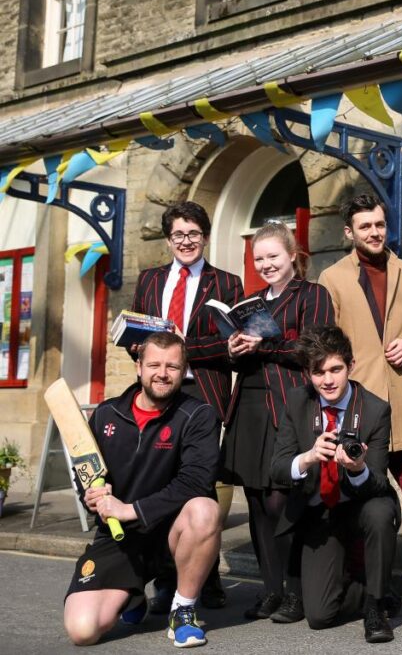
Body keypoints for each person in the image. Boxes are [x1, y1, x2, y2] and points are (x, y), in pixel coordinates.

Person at [318, 194, 402, 607]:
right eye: (365, 227)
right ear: (350, 232)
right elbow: (326, 342)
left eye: (379, 224)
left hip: (401, 400)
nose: (375, 232)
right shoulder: (332, 277)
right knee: (363, 496)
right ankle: (365, 583)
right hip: (358, 405)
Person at [63, 332, 221, 648]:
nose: (162, 373)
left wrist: (131, 510)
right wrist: (91, 495)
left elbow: (196, 481)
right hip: (120, 537)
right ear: (139, 367)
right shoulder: (106, 414)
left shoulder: (198, 415)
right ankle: (133, 597)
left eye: (172, 366)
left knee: (205, 510)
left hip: (170, 534)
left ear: (184, 371)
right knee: (82, 631)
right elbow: (86, 473)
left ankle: (183, 612)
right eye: (154, 365)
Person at [220, 222, 335, 623]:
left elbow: (315, 347)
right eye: (259, 259)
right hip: (248, 405)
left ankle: (295, 591)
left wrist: (264, 344)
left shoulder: (312, 294)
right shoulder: (250, 302)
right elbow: (242, 358)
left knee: (280, 501)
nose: (266, 264)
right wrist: (234, 348)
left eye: (273, 256)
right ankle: (271, 591)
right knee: (255, 501)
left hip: (287, 405)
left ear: (292, 255)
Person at [131, 200, 242, 612]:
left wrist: (179, 349)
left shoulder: (227, 283)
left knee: (200, 483)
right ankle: (166, 581)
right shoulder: (149, 279)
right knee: (159, 481)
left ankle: (206, 580)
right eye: (178, 234)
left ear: (205, 237)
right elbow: (137, 336)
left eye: (193, 233)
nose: (186, 241)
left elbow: (231, 344)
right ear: (168, 239)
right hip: (157, 391)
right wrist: (140, 350)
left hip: (202, 393)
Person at [269, 326, 400, 643]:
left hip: (363, 503)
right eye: (318, 372)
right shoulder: (298, 402)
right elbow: (277, 468)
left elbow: (379, 480)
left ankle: (376, 606)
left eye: (335, 369)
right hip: (322, 510)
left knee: (381, 512)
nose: (327, 380)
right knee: (319, 617)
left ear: (350, 366)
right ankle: (366, 587)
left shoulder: (375, 409)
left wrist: (357, 468)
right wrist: (309, 457)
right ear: (307, 373)